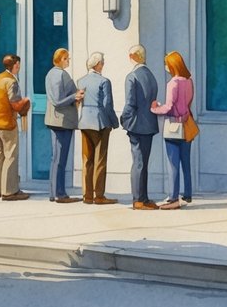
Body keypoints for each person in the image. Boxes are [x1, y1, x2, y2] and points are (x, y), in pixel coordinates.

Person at [0, 54, 30, 201]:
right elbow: (16, 105)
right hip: (6, 124)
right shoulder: (11, 82)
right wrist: (26, 103)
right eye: (19, 64)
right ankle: (9, 191)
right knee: (10, 156)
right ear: (16, 65)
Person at [122, 44, 160, 210]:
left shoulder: (132, 76)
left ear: (133, 56)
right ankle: (144, 198)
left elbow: (130, 103)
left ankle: (138, 199)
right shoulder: (151, 76)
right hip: (150, 124)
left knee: (137, 163)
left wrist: (124, 120)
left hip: (136, 125)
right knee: (144, 163)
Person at [77, 52, 117, 204]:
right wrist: (114, 122)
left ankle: (87, 195)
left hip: (85, 122)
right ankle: (98, 195)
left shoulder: (81, 80)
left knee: (87, 159)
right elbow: (107, 105)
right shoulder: (104, 81)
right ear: (98, 64)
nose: (103, 64)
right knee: (100, 159)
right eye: (102, 62)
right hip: (100, 122)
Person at [44, 48, 83, 203]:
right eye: (67, 58)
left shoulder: (50, 74)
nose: (69, 61)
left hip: (55, 120)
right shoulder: (60, 74)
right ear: (60, 59)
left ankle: (54, 193)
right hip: (62, 121)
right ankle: (60, 193)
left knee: (56, 158)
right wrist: (75, 96)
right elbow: (58, 101)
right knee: (60, 158)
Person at [159, 51, 196, 210]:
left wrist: (154, 108)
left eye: (167, 64)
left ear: (172, 65)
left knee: (173, 163)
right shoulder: (189, 81)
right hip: (187, 125)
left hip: (173, 127)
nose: (166, 67)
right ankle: (187, 194)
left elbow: (168, 107)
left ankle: (173, 197)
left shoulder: (172, 83)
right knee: (186, 162)